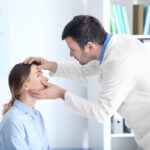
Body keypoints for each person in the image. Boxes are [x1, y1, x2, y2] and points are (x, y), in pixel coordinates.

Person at [24, 15, 150, 150]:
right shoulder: (110, 45)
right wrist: (50, 65)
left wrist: (61, 94)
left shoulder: (117, 61)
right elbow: (84, 70)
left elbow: (101, 112)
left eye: (73, 49)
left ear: (90, 46)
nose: (70, 54)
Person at [0, 62, 50, 150]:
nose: (46, 79)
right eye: (38, 75)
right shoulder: (13, 120)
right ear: (26, 85)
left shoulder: (38, 116)